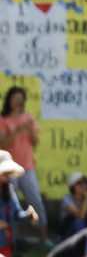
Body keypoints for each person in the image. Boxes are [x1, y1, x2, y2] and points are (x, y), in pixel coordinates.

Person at [0, 86, 46, 241]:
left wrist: (31, 130)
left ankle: (44, 237)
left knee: (36, 201)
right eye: (15, 98)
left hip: (27, 167)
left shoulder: (28, 118)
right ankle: (11, 238)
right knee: (10, 205)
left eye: (20, 99)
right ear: (9, 100)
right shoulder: (3, 119)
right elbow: (2, 144)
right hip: (8, 170)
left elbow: (35, 142)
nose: (17, 101)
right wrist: (18, 130)